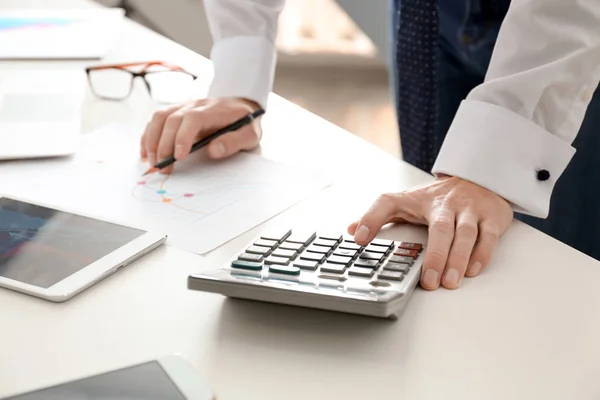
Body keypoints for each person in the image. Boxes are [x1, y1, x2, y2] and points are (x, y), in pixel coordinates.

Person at [140, 0, 600, 291]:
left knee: (559, 278)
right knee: (431, 255)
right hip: (430, 13)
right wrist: (239, 82)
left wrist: (495, 166)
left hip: (573, 27)